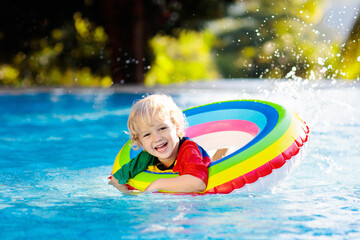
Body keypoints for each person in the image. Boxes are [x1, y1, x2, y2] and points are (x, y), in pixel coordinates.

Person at [108, 94, 211, 193]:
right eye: (147, 134)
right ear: (141, 143)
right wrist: (128, 195)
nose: (157, 138)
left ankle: (221, 153)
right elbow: (115, 179)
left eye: (162, 128)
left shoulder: (189, 150)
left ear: (177, 127)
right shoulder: (146, 157)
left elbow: (198, 184)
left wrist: (157, 184)